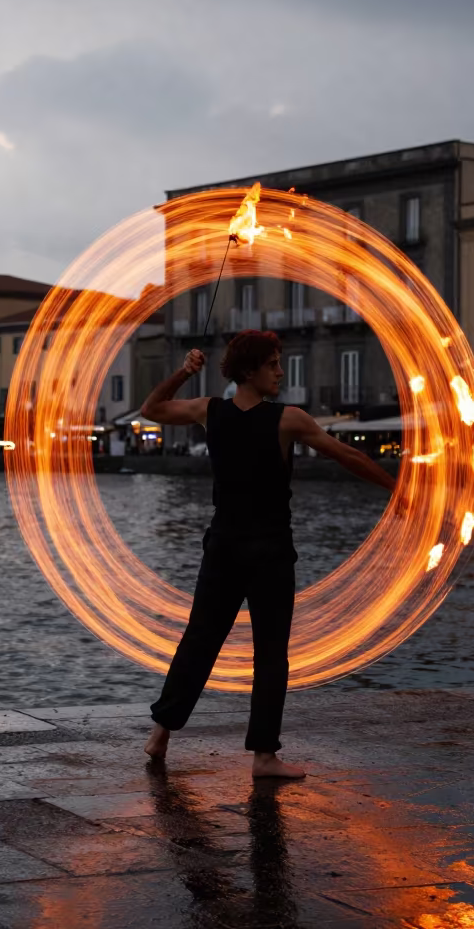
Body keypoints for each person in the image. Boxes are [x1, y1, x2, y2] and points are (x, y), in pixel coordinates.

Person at [140, 330, 400, 778]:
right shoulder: (287, 420)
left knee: (199, 641)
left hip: (222, 544)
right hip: (269, 550)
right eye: (274, 364)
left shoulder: (209, 411)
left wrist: (185, 372)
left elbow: (152, 410)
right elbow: (344, 455)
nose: (281, 372)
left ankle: (161, 734)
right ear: (249, 371)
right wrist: (398, 488)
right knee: (270, 652)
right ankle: (264, 757)